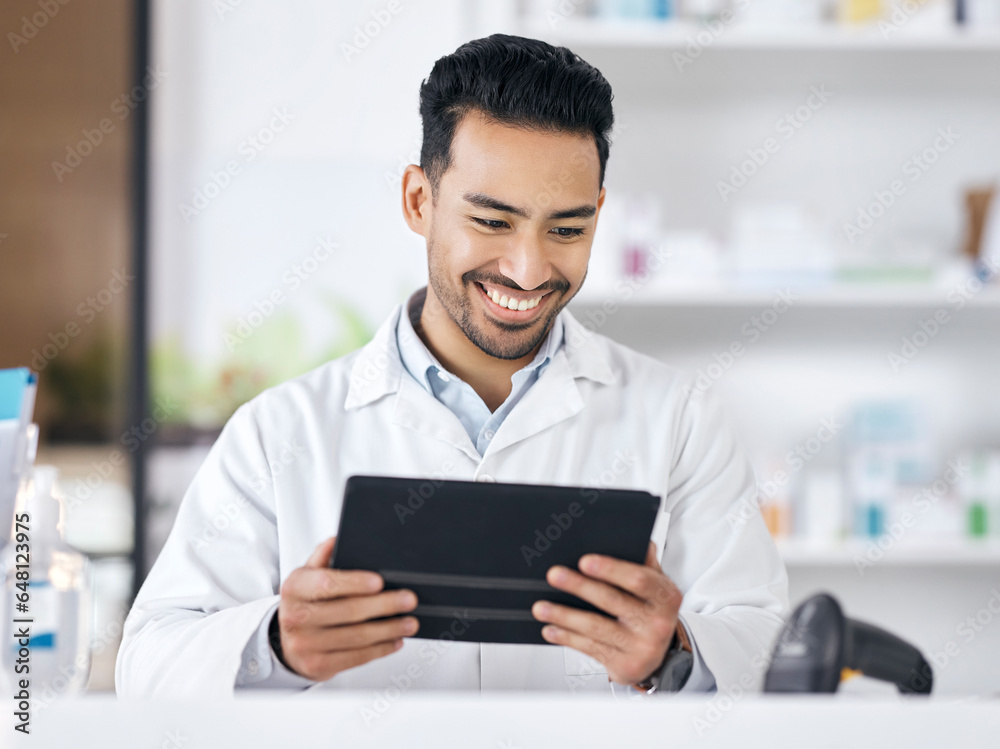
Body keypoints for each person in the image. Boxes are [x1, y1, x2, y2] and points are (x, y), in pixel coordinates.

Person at [116, 34, 788, 699]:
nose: (528, 269)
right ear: (419, 201)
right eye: (493, 221)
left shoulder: (679, 420)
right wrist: (275, 645)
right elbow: (147, 664)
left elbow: (766, 647)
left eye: (566, 229)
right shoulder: (280, 429)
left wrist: (673, 654)